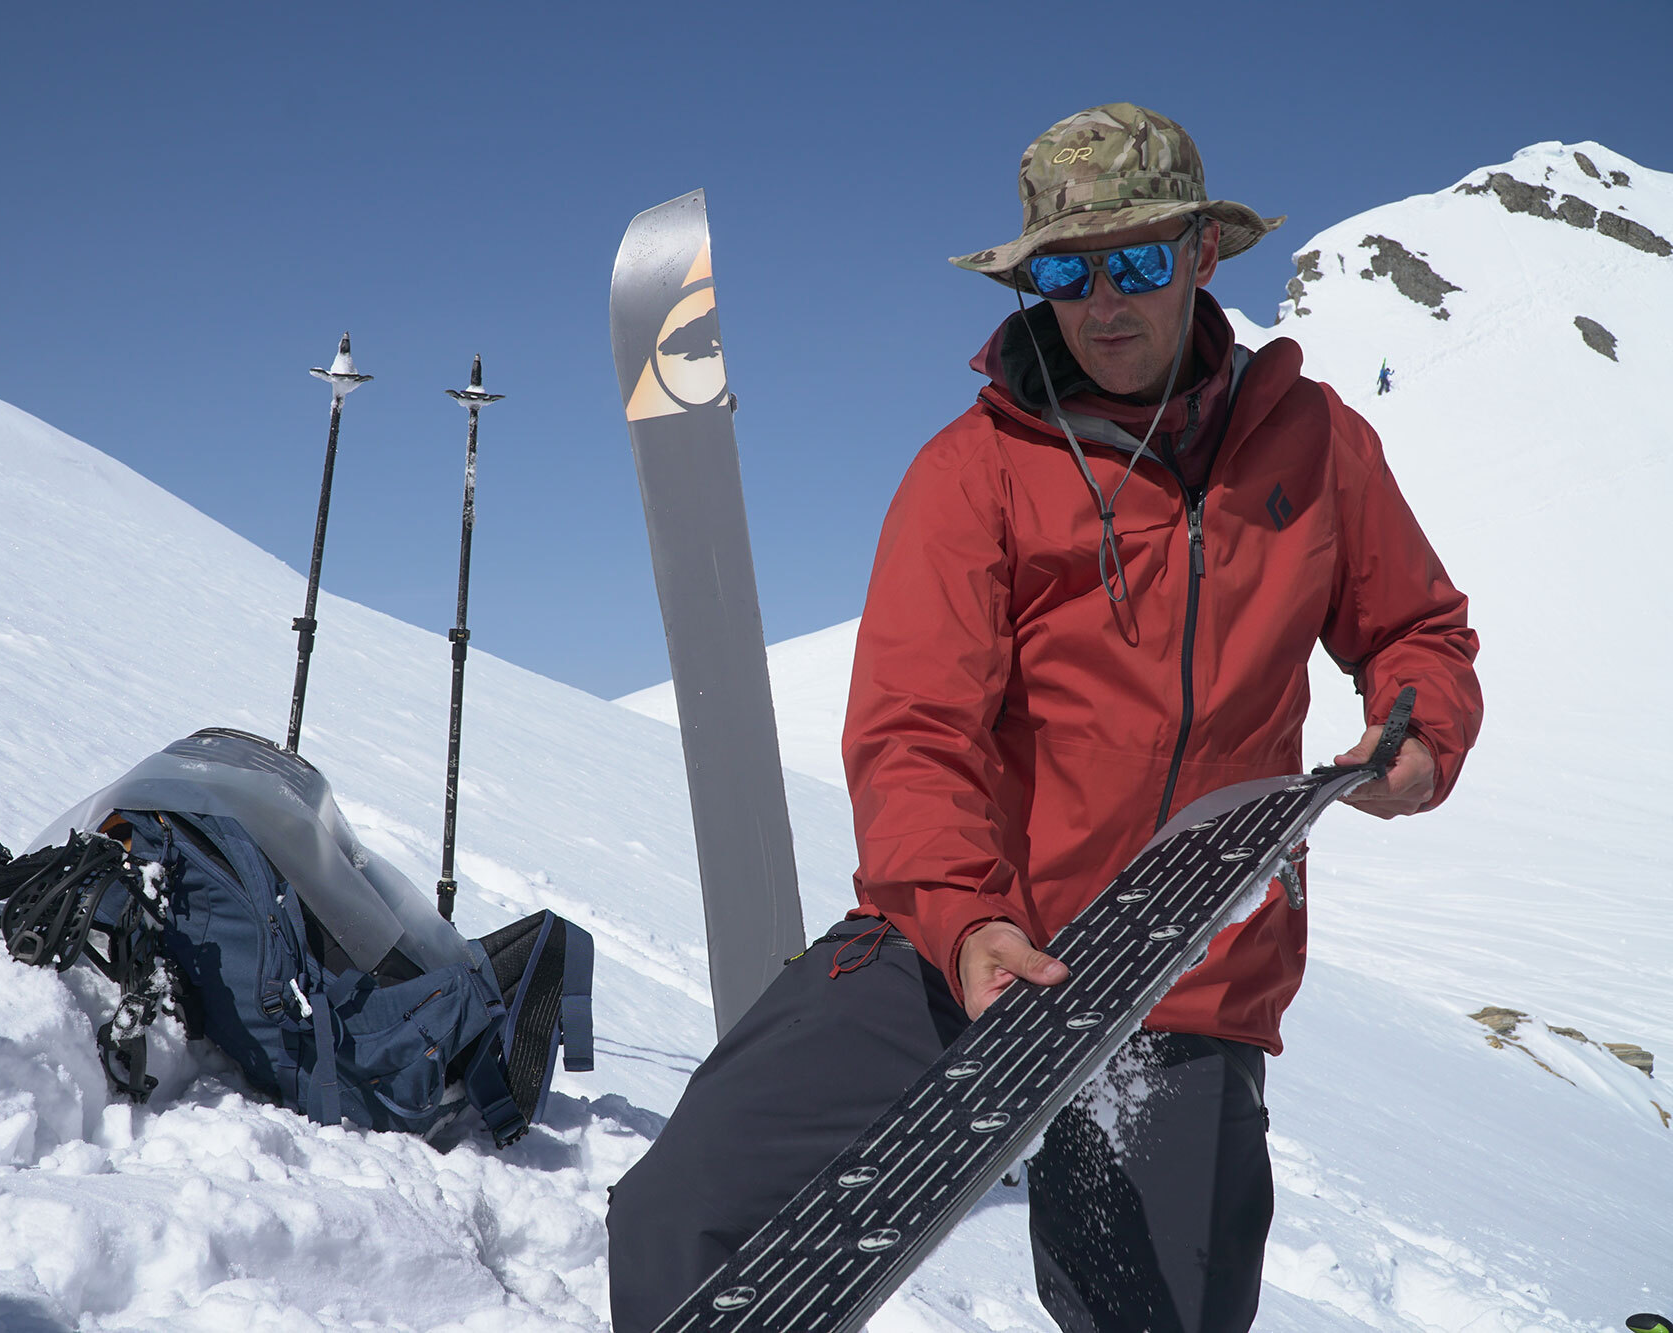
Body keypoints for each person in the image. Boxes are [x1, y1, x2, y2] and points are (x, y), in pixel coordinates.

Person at [605, 103, 1482, 1333]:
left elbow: (1416, 633)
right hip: (958, 943)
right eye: (1065, 273)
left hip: (1181, 969)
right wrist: (966, 922)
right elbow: (913, 728)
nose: (1101, 302)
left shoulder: (1319, 446)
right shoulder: (970, 472)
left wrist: (1416, 728)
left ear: (1199, 254)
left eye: (1133, 262)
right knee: (684, 1214)